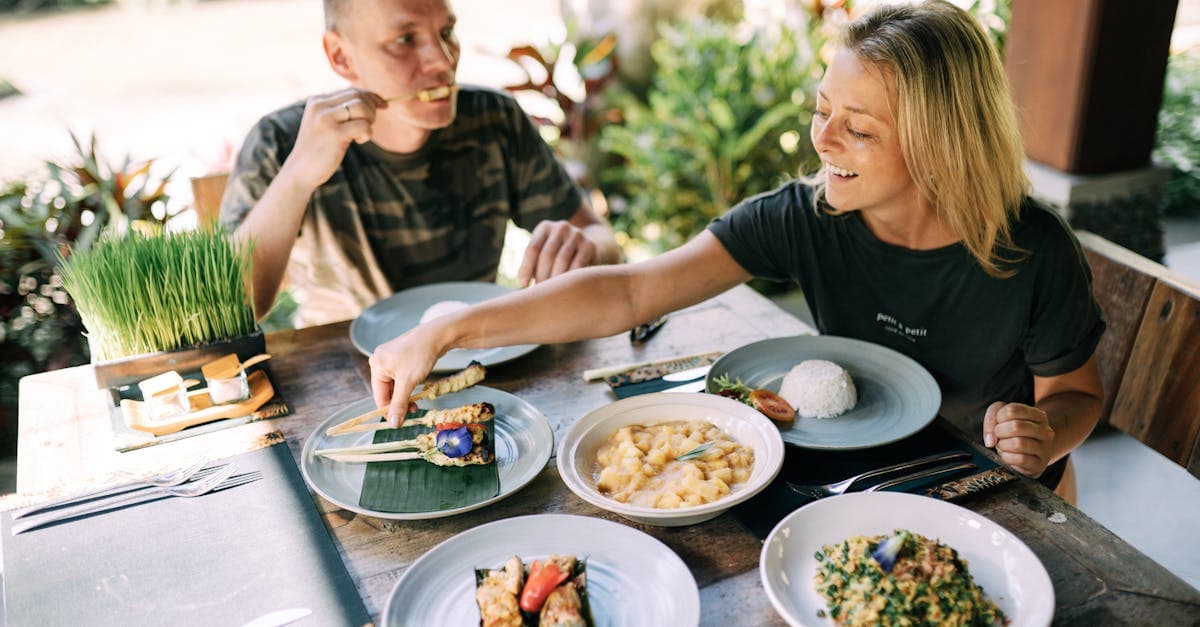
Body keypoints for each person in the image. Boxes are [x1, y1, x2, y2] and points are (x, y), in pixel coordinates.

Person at [367, 0, 1104, 500]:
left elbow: (1078, 396)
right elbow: (630, 292)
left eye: (860, 129)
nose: (822, 140)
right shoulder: (806, 214)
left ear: (941, 145)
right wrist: (449, 329)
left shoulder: (1033, 251)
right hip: (862, 474)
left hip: (997, 490)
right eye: (822, 111)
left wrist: (1044, 434)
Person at [220, 0, 621, 327]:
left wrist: (582, 248)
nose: (443, 61)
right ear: (341, 56)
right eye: (405, 40)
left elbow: (601, 238)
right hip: (346, 370)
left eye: (446, 33)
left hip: (480, 350)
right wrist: (297, 176)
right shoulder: (283, 142)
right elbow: (234, 305)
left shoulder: (492, 120)